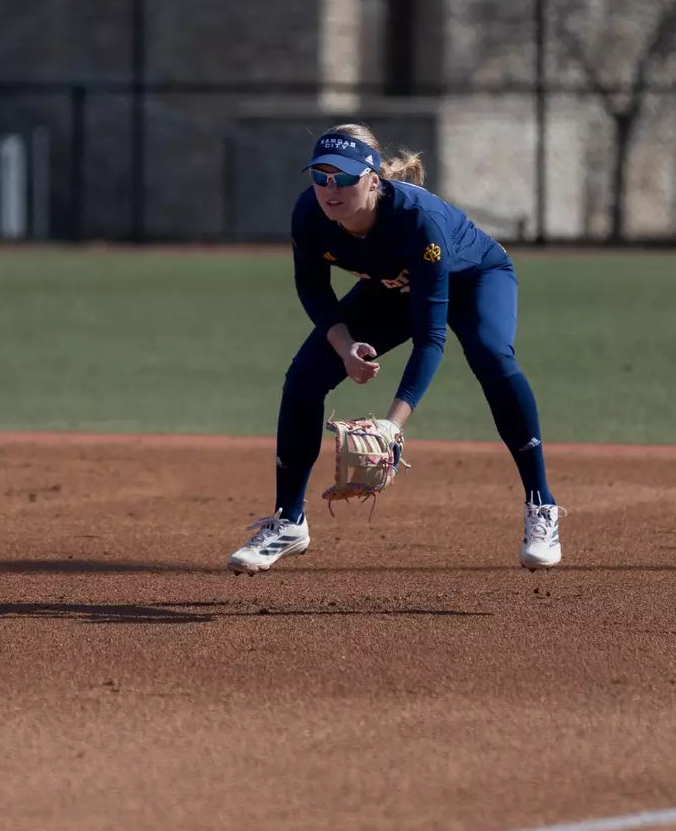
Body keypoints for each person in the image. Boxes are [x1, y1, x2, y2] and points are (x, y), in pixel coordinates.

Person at [228, 124, 563, 573]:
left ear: (372, 180)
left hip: (472, 280)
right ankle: (289, 521)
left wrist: (391, 426)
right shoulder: (310, 213)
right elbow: (311, 285)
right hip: (389, 287)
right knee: (304, 378)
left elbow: (431, 338)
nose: (331, 187)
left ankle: (541, 505)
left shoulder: (416, 220)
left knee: (491, 356)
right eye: (321, 175)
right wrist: (345, 347)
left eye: (344, 177)